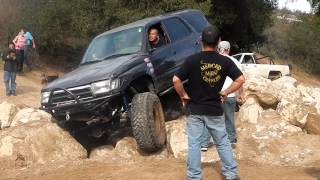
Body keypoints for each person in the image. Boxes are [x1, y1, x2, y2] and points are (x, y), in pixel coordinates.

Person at [173, 26, 245, 180]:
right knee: (222, 143)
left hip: (195, 109)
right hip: (214, 110)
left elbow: (176, 80)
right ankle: (231, 175)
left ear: (201, 41)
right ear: (218, 41)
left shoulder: (191, 60)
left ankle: (193, 176)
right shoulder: (225, 61)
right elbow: (240, 79)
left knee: (194, 144)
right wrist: (225, 92)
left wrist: (184, 95)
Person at [200, 41, 245, 151]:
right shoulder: (235, 61)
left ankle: (204, 144)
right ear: (228, 49)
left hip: (215, 95)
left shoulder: (212, 60)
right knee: (229, 118)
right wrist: (241, 93)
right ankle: (231, 140)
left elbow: (207, 77)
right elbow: (240, 80)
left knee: (209, 117)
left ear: (218, 48)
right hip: (230, 94)